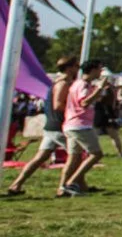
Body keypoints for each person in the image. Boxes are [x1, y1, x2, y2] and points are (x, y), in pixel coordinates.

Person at [4, 71, 69, 197]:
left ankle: (16, 185)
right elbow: (58, 106)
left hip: (51, 126)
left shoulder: (53, 86)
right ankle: (67, 187)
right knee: (77, 156)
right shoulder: (62, 85)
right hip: (58, 126)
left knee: (40, 157)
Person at [58, 60, 109, 195]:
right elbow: (84, 102)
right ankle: (71, 183)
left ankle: (62, 187)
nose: (100, 73)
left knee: (74, 158)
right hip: (80, 125)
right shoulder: (83, 85)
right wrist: (99, 89)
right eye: (99, 69)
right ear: (92, 70)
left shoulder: (79, 84)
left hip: (71, 125)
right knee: (96, 154)